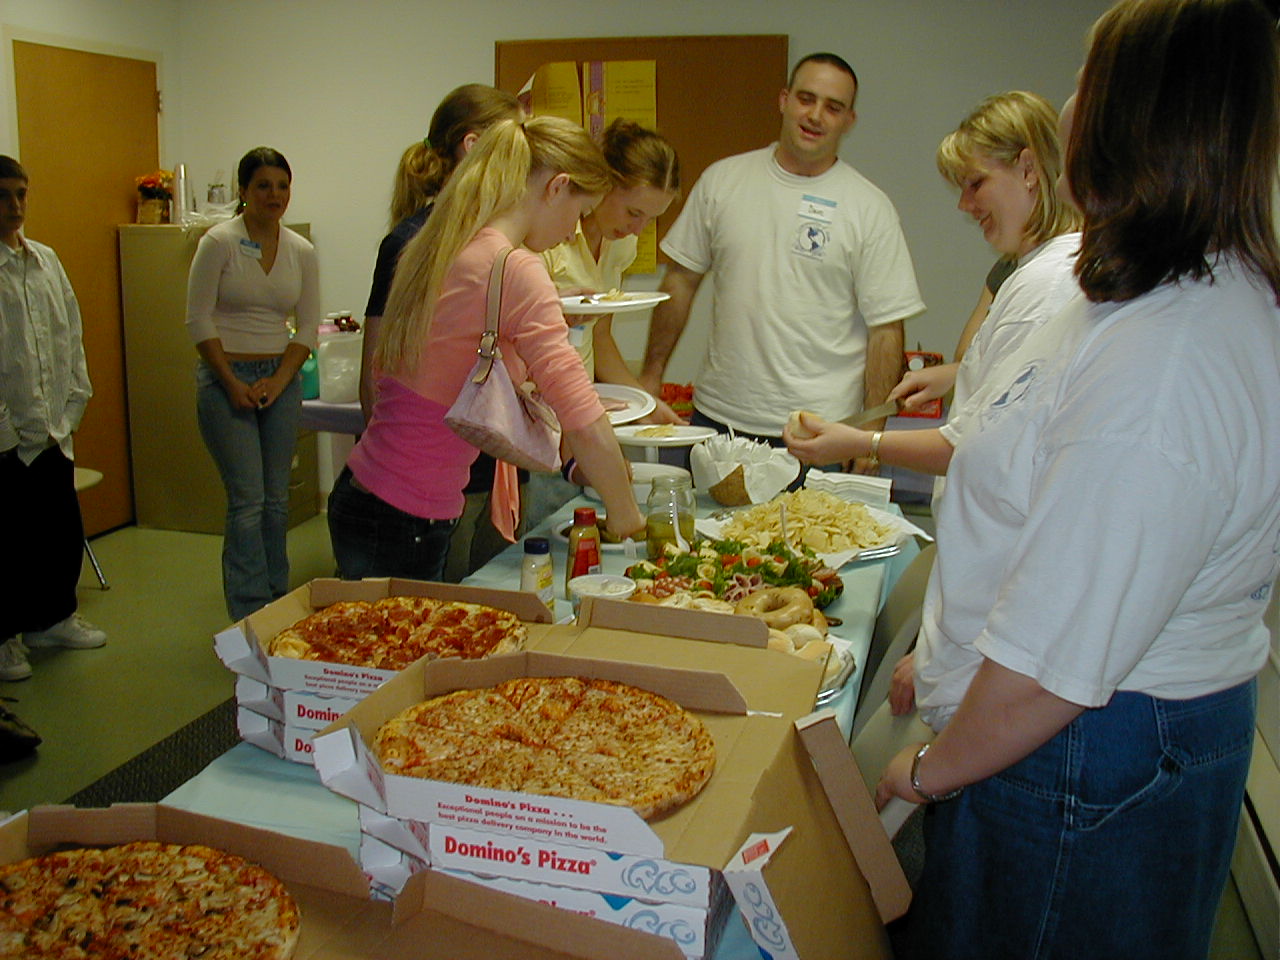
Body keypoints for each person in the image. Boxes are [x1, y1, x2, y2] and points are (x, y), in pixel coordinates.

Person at [890, 1, 1276, 956]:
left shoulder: (1169, 356)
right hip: (1082, 730)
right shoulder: (1138, 293)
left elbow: (1052, 660)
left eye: (1084, 79)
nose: (1066, 104)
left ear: (1136, 112)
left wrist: (930, 770)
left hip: (1092, 752)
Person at [328, 117, 646, 582]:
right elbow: (582, 416)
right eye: (579, 214)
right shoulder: (515, 268)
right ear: (557, 187)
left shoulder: (452, 242)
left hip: (370, 493)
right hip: (404, 514)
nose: (571, 233)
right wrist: (626, 513)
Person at [784, 90, 1082, 505]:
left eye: (976, 184)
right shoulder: (1034, 274)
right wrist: (959, 374)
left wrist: (862, 442)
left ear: (1029, 169)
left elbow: (974, 447)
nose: (964, 204)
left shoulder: (1045, 286)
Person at [638, 52, 925, 470]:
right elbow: (681, 281)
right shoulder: (723, 181)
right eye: (806, 99)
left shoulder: (869, 208)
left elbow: (886, 328)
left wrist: (869, 435)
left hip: (820, 435)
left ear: (849, 120)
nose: (816, 116)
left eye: (833, 107)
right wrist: (651, 376)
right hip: (718, 423)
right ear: (784, 100)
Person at [360, 84, 522, 582]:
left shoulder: (499, 244)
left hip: (491, 463)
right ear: (473, 147)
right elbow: (375, 378)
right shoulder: (412, 244)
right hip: (436, 480)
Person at [186, 147, 320, 621]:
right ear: (243, 191)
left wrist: (280, 381)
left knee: (277, 502)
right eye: (263, 186)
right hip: (225, 380)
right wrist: (229, 380)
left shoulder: (300, 251)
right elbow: (198, 319)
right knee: (248, 501)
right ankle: (247, 611)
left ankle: (276, 600)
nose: (274, 195)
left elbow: (308, 325)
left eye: (282, 186)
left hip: (279, 380)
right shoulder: (218, 243)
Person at [0, 155, 107, 682]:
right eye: (3, 196)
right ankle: (4, 637)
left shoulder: (44, 261)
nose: (14, 206)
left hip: (52, 428)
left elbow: (69, 335)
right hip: (6, 436)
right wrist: (6, 429)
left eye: (21, 194)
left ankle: (52, 619)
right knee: (9, 540)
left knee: (58, 530)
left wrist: (72, 406)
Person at [542, 118, 684, 427]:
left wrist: (646, 403)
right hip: (540, 406)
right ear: (604, 182)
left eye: (651, 219)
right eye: (634, 213)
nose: (638, 229)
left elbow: (599, 336)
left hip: (577, 407)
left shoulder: (620, 245)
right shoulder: (547, 236)